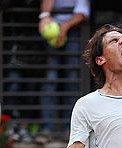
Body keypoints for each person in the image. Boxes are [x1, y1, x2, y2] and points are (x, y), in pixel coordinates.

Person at [37, 0, 90, 140]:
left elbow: (83, 13)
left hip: (73, 33)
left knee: (72, 81)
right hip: (52, 31)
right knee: (50, 79)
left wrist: (64, 26)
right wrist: (45, 16)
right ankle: (47, 129)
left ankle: (71, 130)